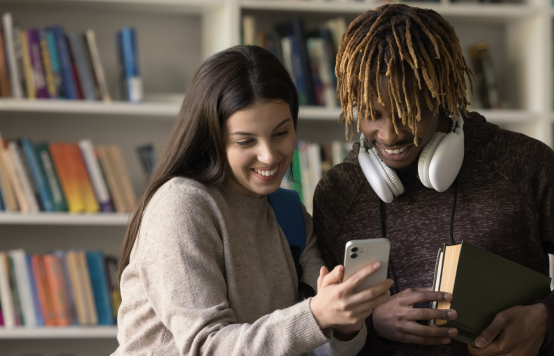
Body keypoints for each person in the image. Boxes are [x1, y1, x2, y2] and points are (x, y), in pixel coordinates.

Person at [313, 4, 554, 356]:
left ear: (441, 95)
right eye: (371, 114)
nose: (389, 135)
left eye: (408, 113)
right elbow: (320, 320)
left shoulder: (521, 163)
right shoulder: (338, 192)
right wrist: (371, 324)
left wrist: (546, 318)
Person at [112, 46, 392, 356]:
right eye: (246, 141)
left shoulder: (288, 212)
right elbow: (208, 347)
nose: (270, 155)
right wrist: (316, 314)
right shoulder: (181, 206)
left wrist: (345, 324)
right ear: (213, 138)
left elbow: (322, 348)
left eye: (281, 133)